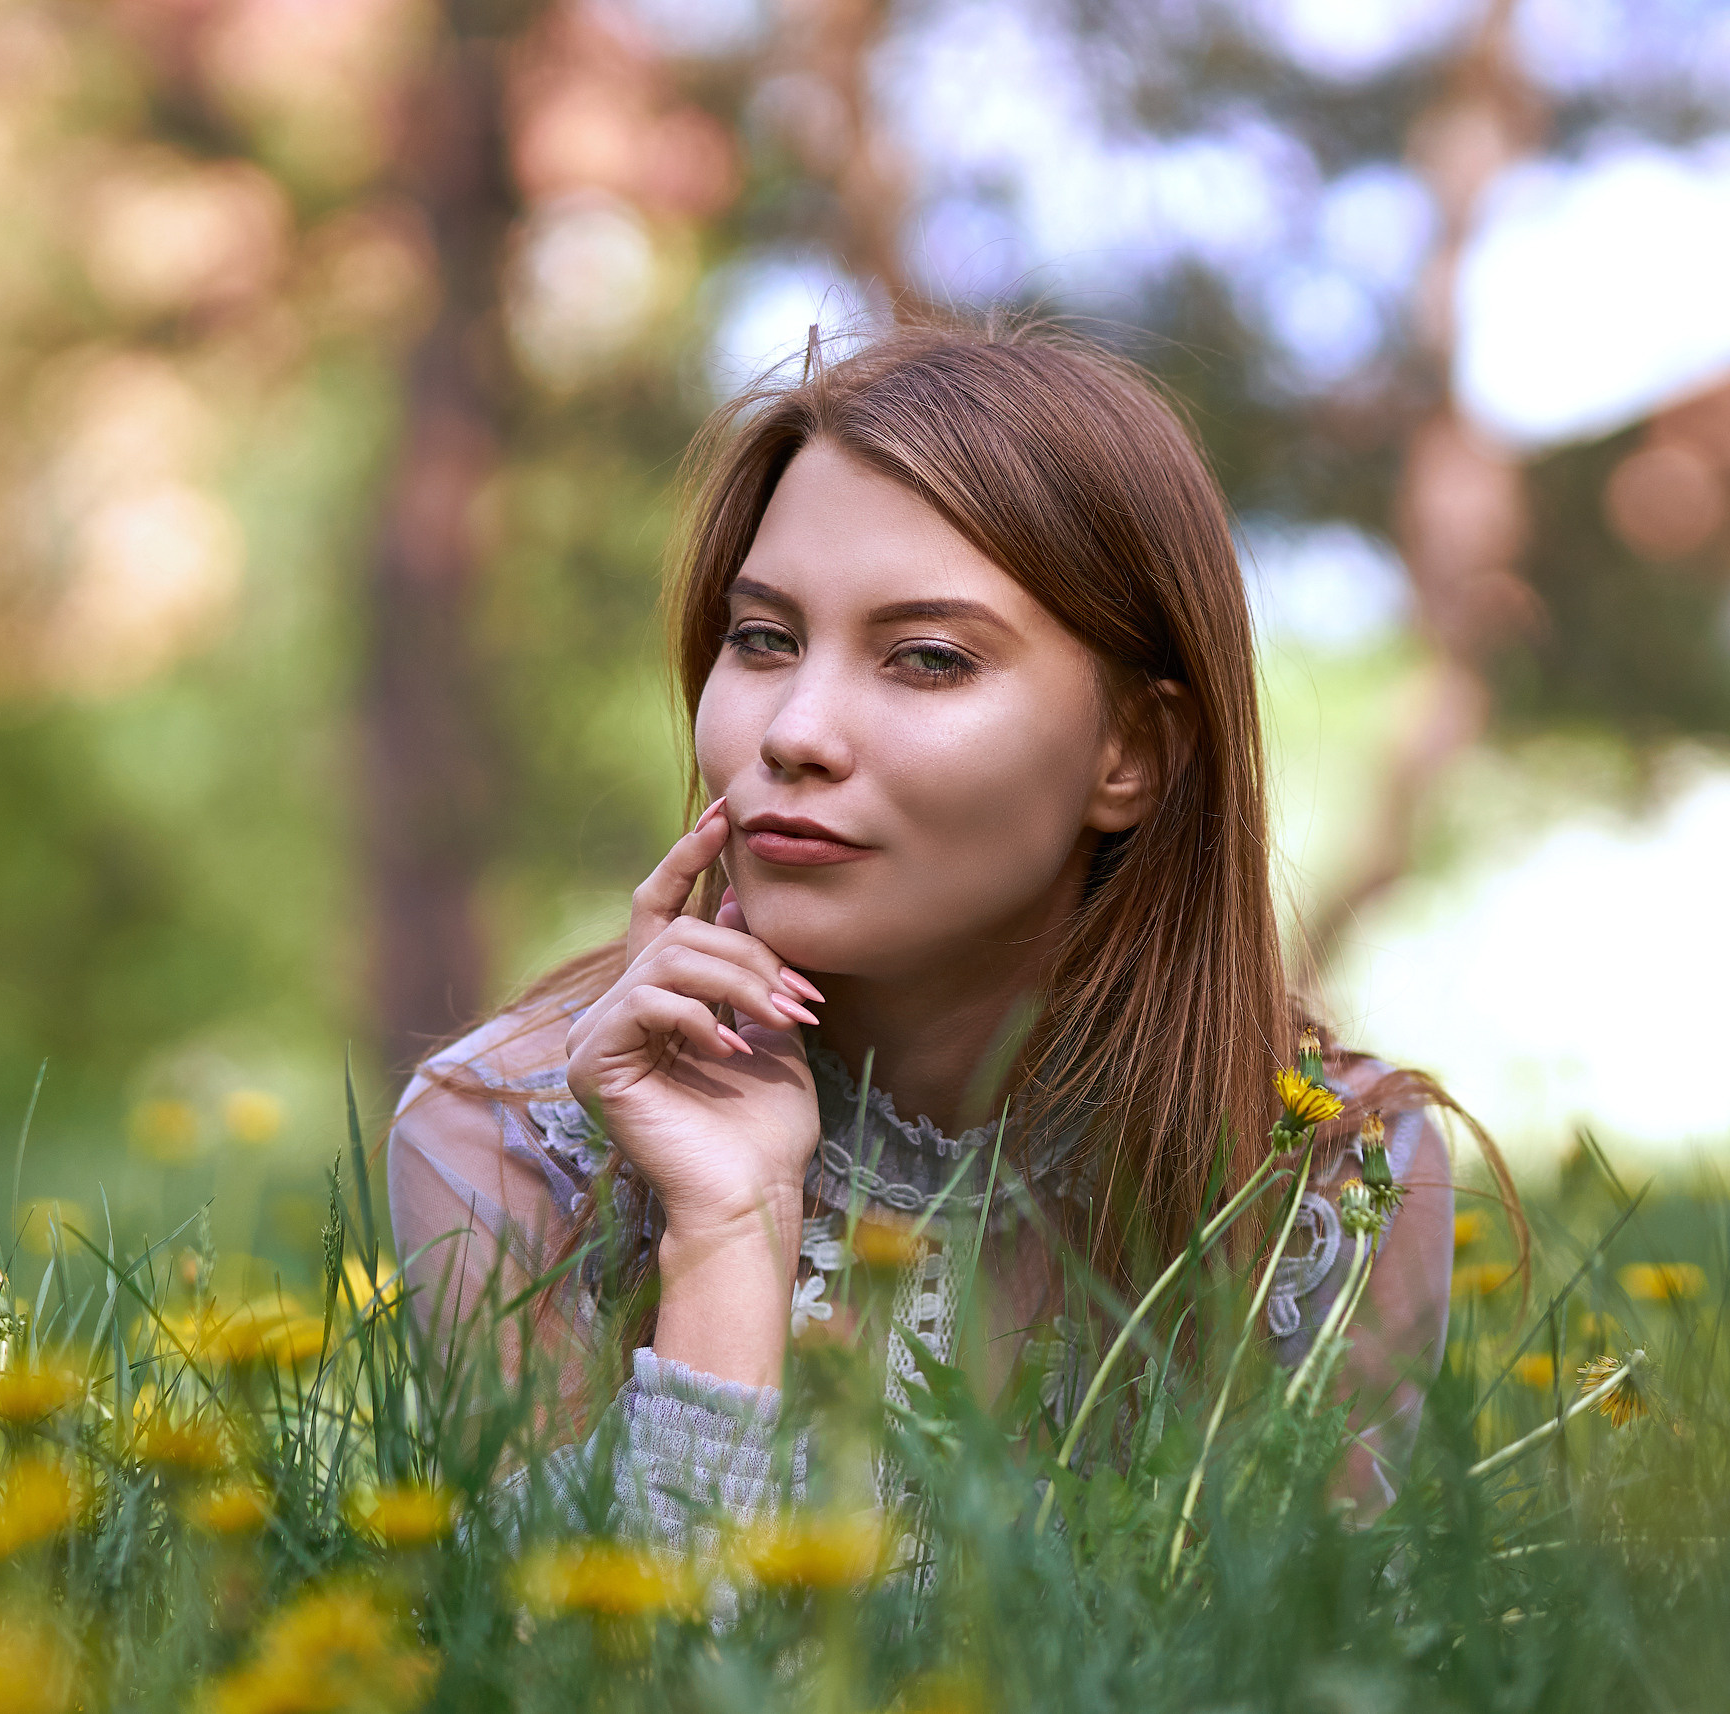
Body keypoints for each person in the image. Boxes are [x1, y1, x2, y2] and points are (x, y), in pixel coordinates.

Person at [386, 318, 1519, 1548]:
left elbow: (1313, 1645)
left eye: (926, 659)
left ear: (1133, 752)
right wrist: (725, 1236)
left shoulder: (1322, 1184)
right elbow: (596, 1646)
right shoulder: (509, 1138)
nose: (794, 732)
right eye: (762, 639)